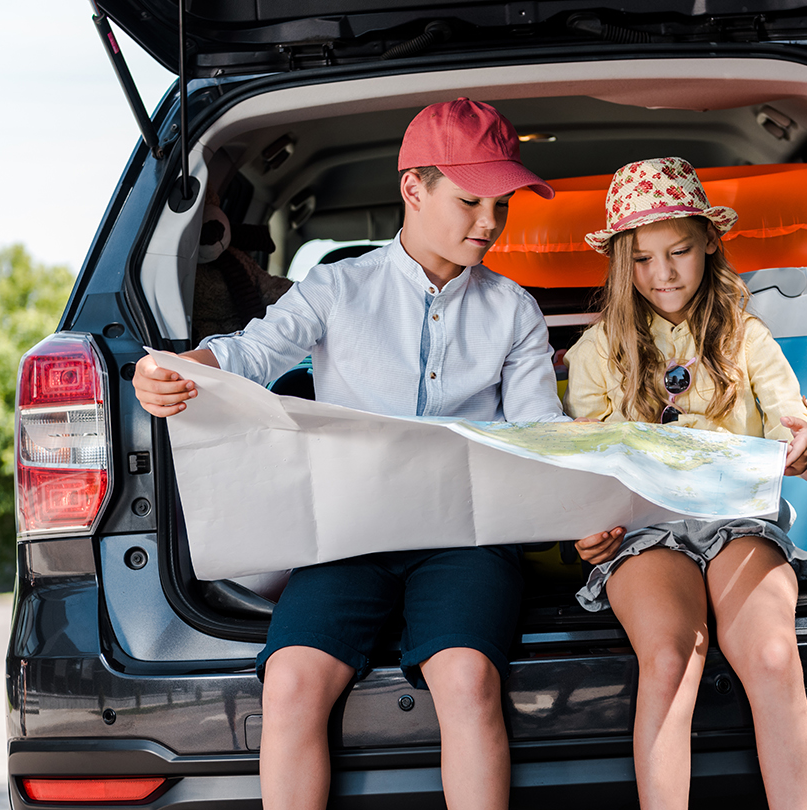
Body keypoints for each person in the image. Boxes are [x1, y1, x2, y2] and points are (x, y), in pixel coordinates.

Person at [133, 97, 564, 810]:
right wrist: (177, 369)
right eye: (470, 201)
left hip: (467, 535)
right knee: (291, 682)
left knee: (467, 679)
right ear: (413, 189)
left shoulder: (513, 309)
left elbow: (539, 431)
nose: (489, 223)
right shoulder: (337, 287)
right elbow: (254, 351)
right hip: (350, 535)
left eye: (502, 205)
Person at [563, 157, 807, 810]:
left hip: (738, 519)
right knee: (669, 658)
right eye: (642, 259)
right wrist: (587, 530)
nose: (662, 273)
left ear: (710, 241)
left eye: (679, 251)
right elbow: (586, 470)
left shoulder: (746, 336)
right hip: (644, 530)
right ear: (621, 263)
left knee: (772, 655)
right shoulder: (595, 351)